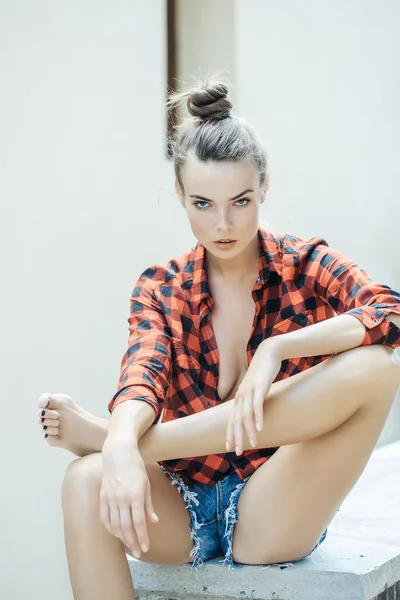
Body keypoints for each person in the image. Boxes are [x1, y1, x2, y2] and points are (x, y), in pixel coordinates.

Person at [38, 77, 400, 600]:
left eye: (242, 201)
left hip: (270, 509)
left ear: (265, 189)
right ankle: (115, 441)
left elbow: (389, 311)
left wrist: (277, 351)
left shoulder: (303, 264)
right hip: (180, 504)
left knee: (379, 366)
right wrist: (119, 444)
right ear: (181, 195)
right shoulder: (160, 286)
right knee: (83, 481)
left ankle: (118, 439)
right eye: (203, 204)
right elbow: (143, 373)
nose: (224, 224)